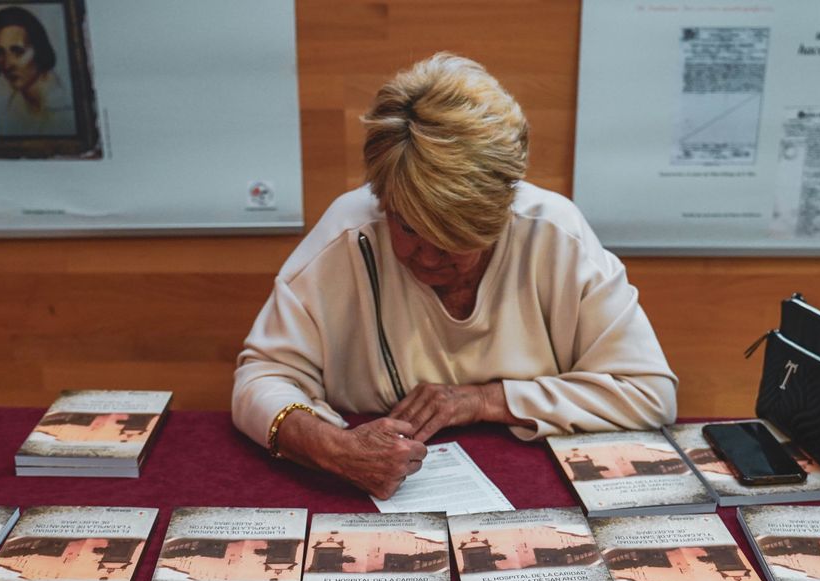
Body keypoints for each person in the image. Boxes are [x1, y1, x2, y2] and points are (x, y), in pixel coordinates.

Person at [232, 53, 677, 499]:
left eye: (451, 237)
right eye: (406, 227)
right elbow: (261, 377)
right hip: (367, 494)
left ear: (500, 215)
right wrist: (336, 449)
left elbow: (648, 392)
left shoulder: (553, 234)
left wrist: (484, 400)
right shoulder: (349, 236)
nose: (424, 257)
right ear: (382, 197)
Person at [0, 6, 75, 136]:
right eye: (0, 52)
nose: (7, 64)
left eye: (18, 51)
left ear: (39, 50)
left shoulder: (67, 108)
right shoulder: (11, 109)